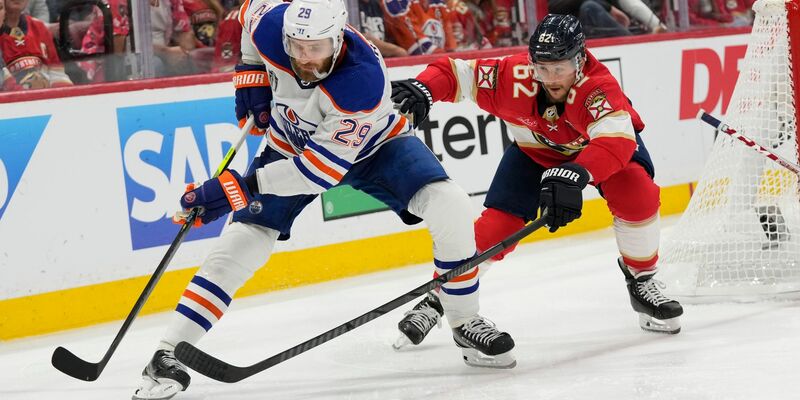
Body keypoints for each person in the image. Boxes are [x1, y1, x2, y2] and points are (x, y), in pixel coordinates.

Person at [133, 0, 516, 398]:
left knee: (449, 202)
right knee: (242, 242)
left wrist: (237, 189)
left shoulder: (361, 81)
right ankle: (168, 352)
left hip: (375, 147)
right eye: (296, 47)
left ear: (337, 38)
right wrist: (249, 74)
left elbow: (316, 173)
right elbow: (248, 13)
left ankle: (464, 321)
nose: (303, 58)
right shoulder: (272, 26)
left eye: (315, 48)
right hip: (288, 146)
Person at [390, 14, 684, 349]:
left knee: (638, 192)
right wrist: (425, 88)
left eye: (559, 68)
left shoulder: (597, 87)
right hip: (534, 152)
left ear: (579, 60)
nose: (550, 78)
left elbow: (615, 142)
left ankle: (642, 279)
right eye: (542, 68)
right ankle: (441, 297)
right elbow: (453, 72)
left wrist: (576, 174)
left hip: (596, 150)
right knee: (496, 228)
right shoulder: (513, 76)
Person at [0, 0, 72, 89]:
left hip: (46, 98)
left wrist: (65, 96)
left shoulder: (39, 27)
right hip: (15, 100)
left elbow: (57, 74)